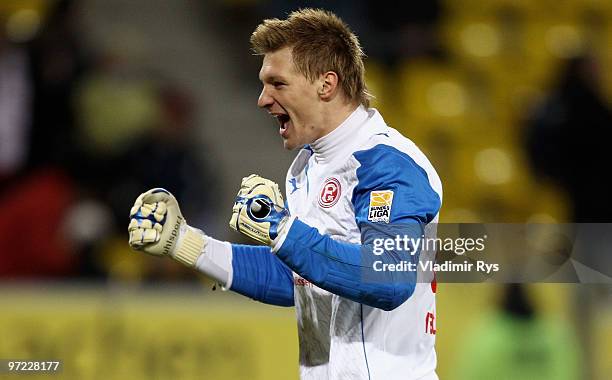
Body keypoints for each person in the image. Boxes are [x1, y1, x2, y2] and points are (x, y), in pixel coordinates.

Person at [128, 9, 442, 380]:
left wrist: (282, 228)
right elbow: (302, 280)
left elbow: (389, 279)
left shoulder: (388, 164)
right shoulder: (308, 167)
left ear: (326, 85)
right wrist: (187, 244)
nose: (262, 99)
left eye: (277, 84)